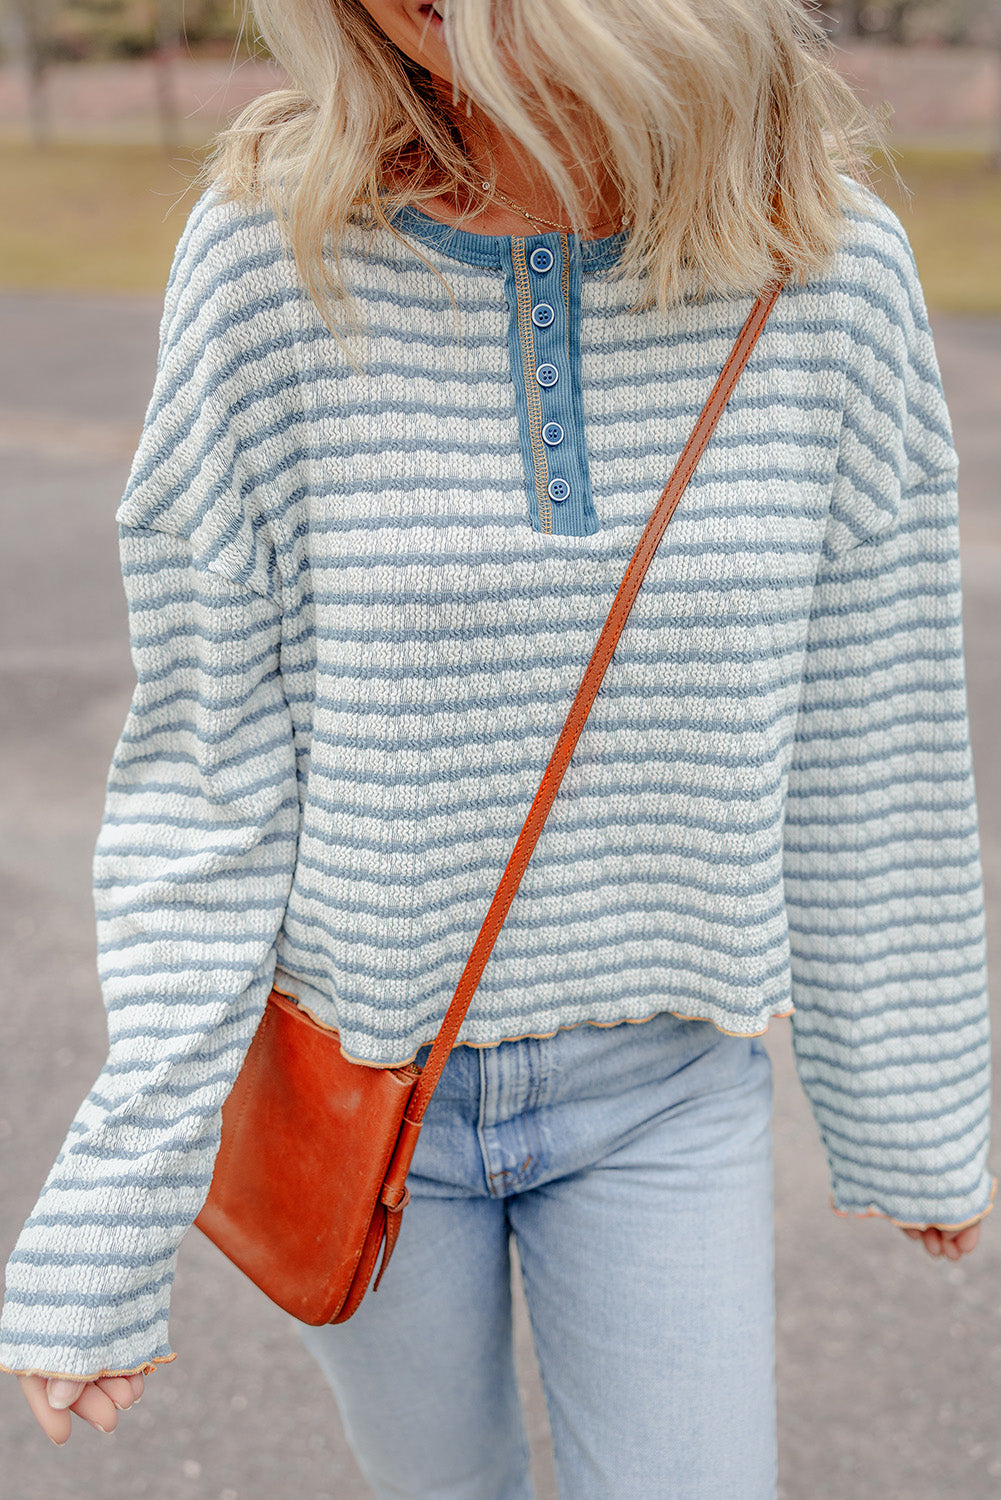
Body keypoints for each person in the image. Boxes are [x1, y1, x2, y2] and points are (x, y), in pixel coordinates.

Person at [2, 0, 994, 1494]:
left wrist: (909, 1092)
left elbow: (878, 723)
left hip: (661, 1087)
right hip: (360, 1093)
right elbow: (207, 781)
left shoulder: (824, 271)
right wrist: (112, 1204)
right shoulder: (271, 261)